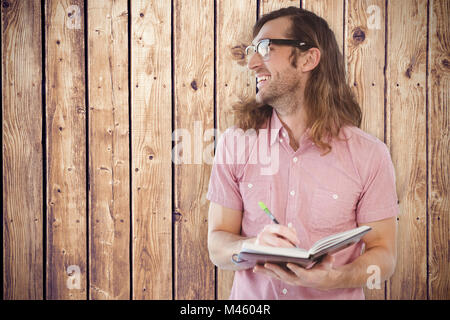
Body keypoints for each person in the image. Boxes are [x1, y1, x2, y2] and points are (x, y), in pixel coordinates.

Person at [206, 6, 399, 300]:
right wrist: (250, 245)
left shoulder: (370, 155)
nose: (253, 63)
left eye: (265, 48)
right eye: (251, 51)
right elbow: (217, 244)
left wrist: (336, 278)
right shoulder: (235, 144)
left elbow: (383, 255)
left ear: (309, 58)